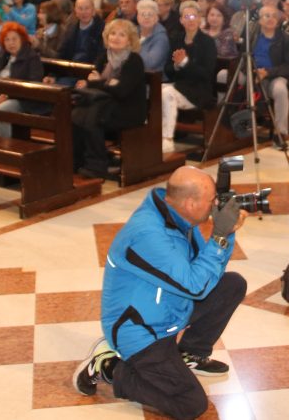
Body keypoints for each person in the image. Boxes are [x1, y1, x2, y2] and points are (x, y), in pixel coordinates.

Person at [72, 167, 247, 420]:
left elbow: (204, 275)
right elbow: (195, 287)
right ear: (190, 202)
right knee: (191, 404)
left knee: (232, 285)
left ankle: (190, 354)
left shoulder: (179, 216)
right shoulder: (147, 234)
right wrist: (221, 236)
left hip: (169, 309)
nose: (215, 207)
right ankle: (110, 368)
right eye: (212, 201)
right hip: (139, 330)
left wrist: (225, 235)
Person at [71, 19, 147, 179]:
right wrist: (104, 83)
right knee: (77, 114)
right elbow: (93, 84)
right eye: (113, 34)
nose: (116, 38)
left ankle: (97, 165)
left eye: (122, 35)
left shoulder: (134, 61)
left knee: (93, 117)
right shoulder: (103, 58)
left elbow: (121, 91)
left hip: (129, 110)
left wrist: (98, 82)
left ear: (130, 40)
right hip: (107, 105)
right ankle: (77, 161)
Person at [161, 1, 217, 152]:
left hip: (199, 92)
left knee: (166, 93)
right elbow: (167, 69)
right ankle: (151, 135)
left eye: (194, 16)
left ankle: (167, 139)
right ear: (181, 20)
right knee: (156, 90)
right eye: (187, 16)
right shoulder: (176, 40)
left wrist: (185, 63)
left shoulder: (207, 42)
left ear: (200, 19)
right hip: (180, 87)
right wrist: (176, 66)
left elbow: (207, 74)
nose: (190, 20)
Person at [242, 5, 289, 150]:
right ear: (259, 20)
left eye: (274, 16)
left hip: (275, 76)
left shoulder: (285, 39)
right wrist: (252, 72)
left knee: (281, 90)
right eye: (267, 16)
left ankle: (280, 133)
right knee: (225, 76)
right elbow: (242, 59)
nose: (271, 19)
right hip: (252, 73)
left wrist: (267, 72)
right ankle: (234, 125)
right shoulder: (252, 36)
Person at [56, 0, 105, 69]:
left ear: (93, 10)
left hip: (89, 70)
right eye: (80, 9)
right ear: (75, 11)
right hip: (70, 69)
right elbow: (62, 53)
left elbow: (101, 56)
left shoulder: (102, 29)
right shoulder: (70, 28)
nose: (83, 12)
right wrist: (53, 75)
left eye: (87, 8)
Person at [136, 0, 170, 73]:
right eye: (143, 14)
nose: (146, 17)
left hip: (154, 80)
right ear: (138, 18)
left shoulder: (161, 38)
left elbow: (150, 63)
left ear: (156, 18)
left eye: (150, 14)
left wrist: (134, 46)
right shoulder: (133, 32)